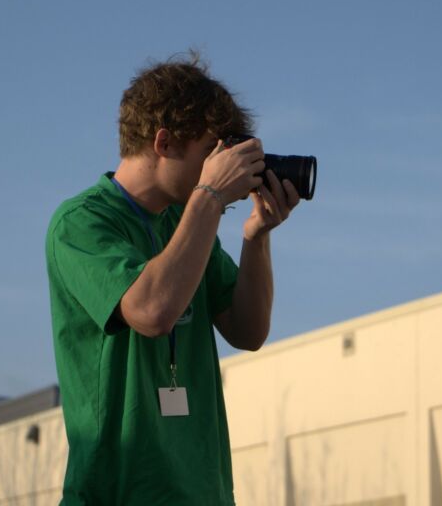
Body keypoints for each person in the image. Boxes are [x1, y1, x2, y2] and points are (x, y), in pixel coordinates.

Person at [46, 53, 299, 505]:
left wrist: (255, 236)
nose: (218, 166)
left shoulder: (185, 222)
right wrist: (211, 196)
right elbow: (152, 311)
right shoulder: (82, 223)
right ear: (164, 143)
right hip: (120, 493)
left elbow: (249, 330)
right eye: (210, 152)